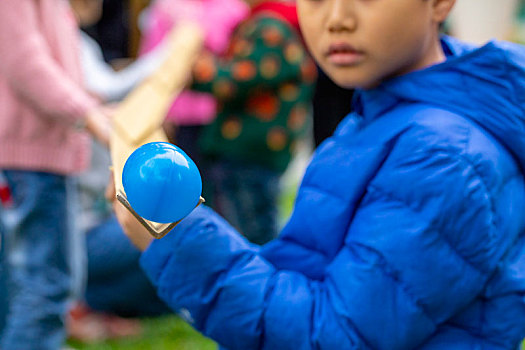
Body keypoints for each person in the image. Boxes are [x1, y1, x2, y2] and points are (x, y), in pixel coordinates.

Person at [112, 0, 525, 348]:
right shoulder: (387, 115)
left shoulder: (442, 157)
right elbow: (311, 275)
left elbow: (334, 335)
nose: (336, 18)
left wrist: (177, 237)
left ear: (438, 3)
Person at [0, 0, 111, 348]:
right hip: (32, 157)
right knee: (48, 286)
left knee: (23, 287)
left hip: (38, 154)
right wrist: (86, 113)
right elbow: (24, 60)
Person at [189, 0, 317, 244]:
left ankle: (258, 278)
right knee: (248, 224)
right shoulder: (270, 24)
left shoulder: (269, 28)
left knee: (251, 232)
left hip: (250, 152)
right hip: (255, 151)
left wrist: (198, 70)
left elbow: (239, 77)